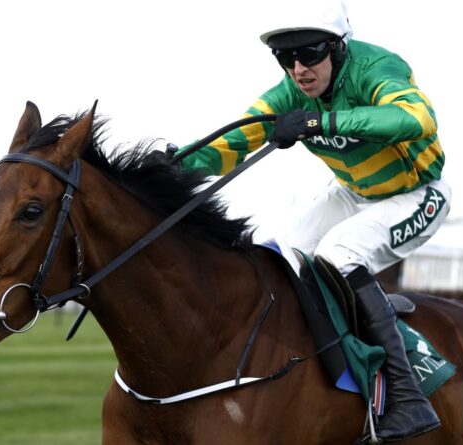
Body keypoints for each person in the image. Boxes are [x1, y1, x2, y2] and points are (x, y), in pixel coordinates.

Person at [175, 0, 447, 441]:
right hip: (352, 194)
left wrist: (320, 122)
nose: (298, 68)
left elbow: (416, 117)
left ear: (339, 49)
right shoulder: (289, 92)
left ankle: (407, 396)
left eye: (310, 53)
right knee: (273, 251)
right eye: (286, 57)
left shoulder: (376, 67)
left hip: (416, 194)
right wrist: (175, 164)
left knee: (337, 254)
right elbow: (237, 137)